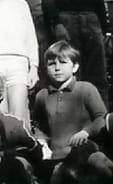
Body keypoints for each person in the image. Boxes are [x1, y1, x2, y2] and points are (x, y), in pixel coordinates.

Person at [32, 41, 106, 172]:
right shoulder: (42, 95)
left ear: (75, 67)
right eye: (52, 64)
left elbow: (102, 118)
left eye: (63, 62)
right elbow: (37, 125)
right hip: (54, 157)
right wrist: (42, 143)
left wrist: (85, 132)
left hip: (83, 155)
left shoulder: (85, 89)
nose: (57, 68)